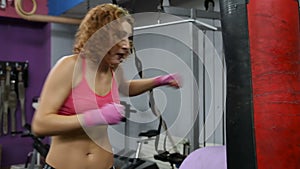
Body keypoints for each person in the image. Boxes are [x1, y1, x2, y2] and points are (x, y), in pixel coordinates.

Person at [31, 3, 181, 169]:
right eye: (119, 38)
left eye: (128, 39)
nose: (126, 45)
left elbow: (124, 88)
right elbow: (40, 125)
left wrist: (158, 81)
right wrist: (94, 117)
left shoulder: (113, 70)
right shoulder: (70, 67)